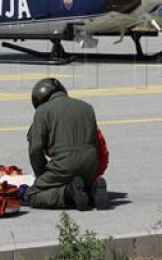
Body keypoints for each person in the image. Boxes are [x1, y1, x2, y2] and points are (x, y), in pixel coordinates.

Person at [26, 77, 110, 210]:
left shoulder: (42, 111)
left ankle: (67, 193)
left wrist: (42, 174)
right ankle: (92, 190)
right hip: (90, 165)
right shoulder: (87, 107)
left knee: (33, 194)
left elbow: (35, 148)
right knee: (80, 184)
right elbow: (97, 142)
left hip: (64, 165)